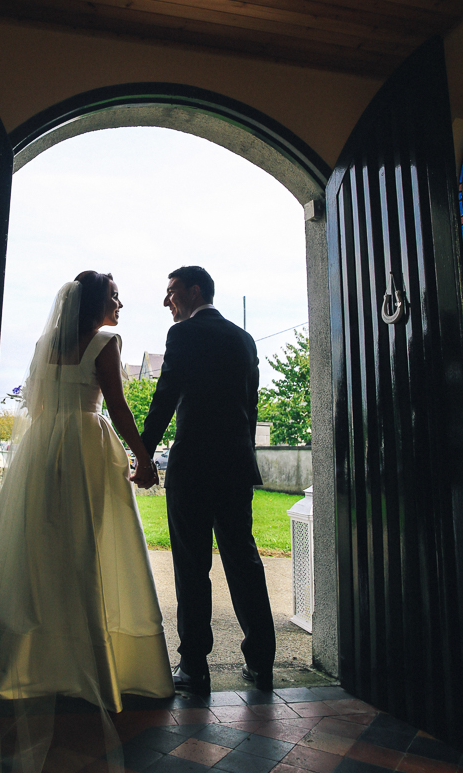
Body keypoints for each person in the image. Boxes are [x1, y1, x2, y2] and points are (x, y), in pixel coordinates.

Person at [0, 272, 173, 773]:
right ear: (95, 304)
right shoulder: (107, 341)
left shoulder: (47, 342)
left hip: (45, 451)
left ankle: (31, 668)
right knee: (89, 552)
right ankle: (99, 672)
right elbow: (115, 403)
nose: (121, 304)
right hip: (88, 449)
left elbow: (36, 404)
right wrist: (143, 458)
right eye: (114, 296)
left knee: (42, 556)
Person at [141, 266, 276, 695]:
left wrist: (143, 453)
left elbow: (164, 398)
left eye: (172, 292)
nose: (167, 301)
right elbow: (249, 406)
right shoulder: (243, 338)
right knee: (244, 560)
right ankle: (261, 661)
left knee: (192, 566)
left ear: (194, 291)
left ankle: (195, 667)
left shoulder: (183, 335)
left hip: (194, 467)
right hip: (236, 466)